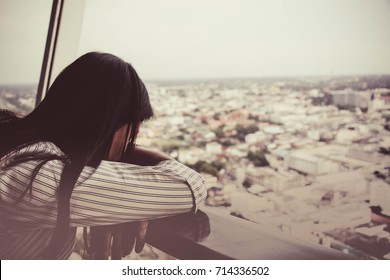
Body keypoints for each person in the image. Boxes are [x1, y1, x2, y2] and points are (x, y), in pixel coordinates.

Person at [0, 52, 206, 260]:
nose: (134, 137)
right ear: (104, 126)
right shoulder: (37, 176)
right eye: (130, 131)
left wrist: (122, 207)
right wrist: (131, 201)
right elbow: (190, 186)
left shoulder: (16, 146)